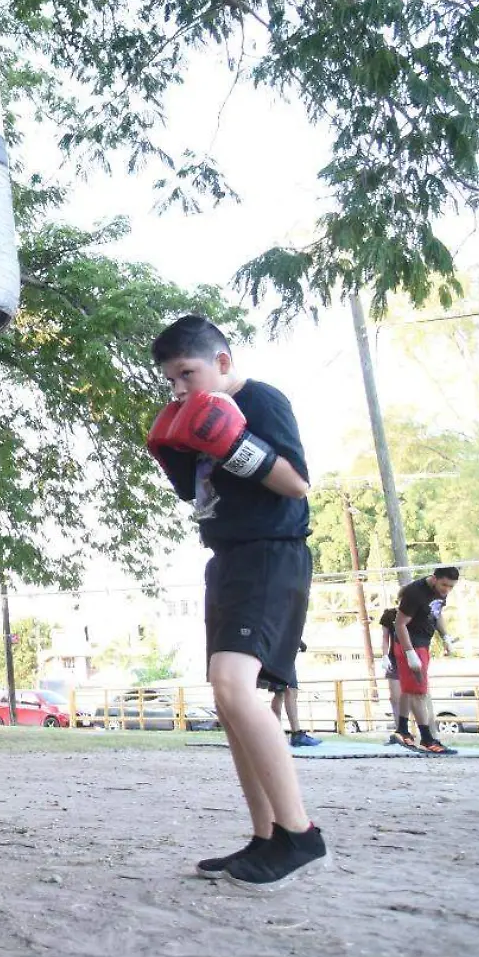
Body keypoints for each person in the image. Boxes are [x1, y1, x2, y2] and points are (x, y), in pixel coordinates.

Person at [147, 314, 328, 891]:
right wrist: (177, 453)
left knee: (233, 686)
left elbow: (296, 483)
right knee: (228, 702)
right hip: (226, 559)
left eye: (186, 373)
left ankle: (300, 834)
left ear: (221, 362)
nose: (178, 388)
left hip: (270, 555)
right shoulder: (192, 417)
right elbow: (200, 490)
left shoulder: (259, 399)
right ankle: (266, 836)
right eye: (171, 380)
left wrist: (234, 442)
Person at [394, 567, 461, 755]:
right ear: (434, 579)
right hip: (411, 644)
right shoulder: (415, 593)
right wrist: (409, 652)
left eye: (451, 586)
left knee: (411, 690)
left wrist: (445, 637)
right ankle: (427, 739)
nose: (447, 589)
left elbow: (436, 613)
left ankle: (402, 730)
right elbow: (399, 624)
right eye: (444, 585)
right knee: (418, 692)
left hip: (424, 643)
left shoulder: (440, 592)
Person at [268, 641, 321, 748]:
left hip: (274, 650)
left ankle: (276, 734)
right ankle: (296, 734)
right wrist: (299, 643)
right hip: (282, 652)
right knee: (290, 690)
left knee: (279, 692)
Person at [377, 607, 408, 746]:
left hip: (413, 656)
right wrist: (384, 656)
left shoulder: (418, 612)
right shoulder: (390, 615)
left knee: (415, 696)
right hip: (394, 660)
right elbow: (385, 638)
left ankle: (424, 731)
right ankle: (400, 731)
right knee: (395, 697)